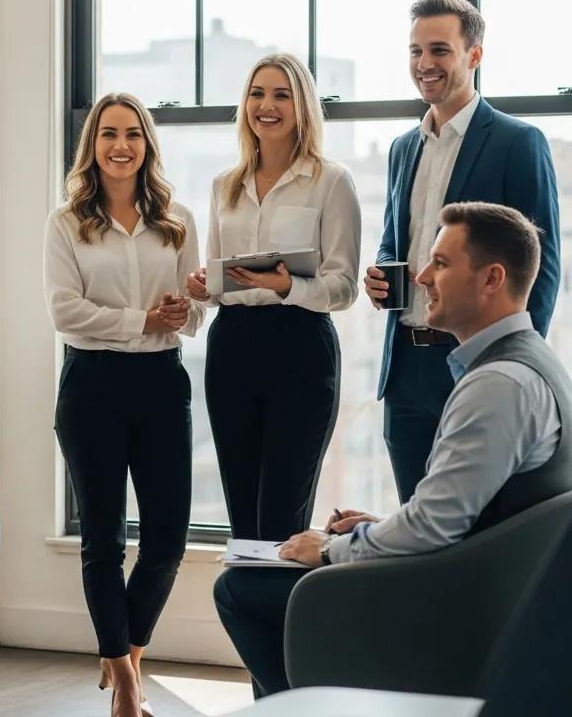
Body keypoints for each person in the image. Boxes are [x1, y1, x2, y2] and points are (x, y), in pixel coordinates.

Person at [215, 202, 572, 698]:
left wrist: (333, 550)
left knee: (240, 589)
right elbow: (464, 512)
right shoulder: (535, 364)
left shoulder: (498, 385)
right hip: (486, 587)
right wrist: (375, 527)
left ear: (492, 279)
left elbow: (432, 526)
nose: (421, 276)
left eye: (442, 264)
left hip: (457, 606)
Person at [44, 92, 204, 717]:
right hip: (92, 387)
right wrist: (144, 317)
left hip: (164, 384)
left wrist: (182, 310)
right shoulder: (66, 222)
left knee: (167, 540)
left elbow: (195, 312)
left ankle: (126, 653)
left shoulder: (178, 219)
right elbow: (65, 312)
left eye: (132, 134)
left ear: (147, 144)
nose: (121, 145)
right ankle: (129, 684)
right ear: (92, 146)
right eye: (108, 134)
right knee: (104, 539)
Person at [365, 0, 560, 504]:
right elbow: (395, 240)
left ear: (474, 55)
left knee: (479, 529)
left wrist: (512, 365)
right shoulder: (403, 147)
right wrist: (384, 274)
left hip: (476, 364)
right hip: (405, 369)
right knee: (415, 524)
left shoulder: (518, 142)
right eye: (415, 52)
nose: (424, 64)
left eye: (439, 50)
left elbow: (542, 265)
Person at [186, 53, 361, 542]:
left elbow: (344, 286)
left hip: (301, 347)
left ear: (302, 105)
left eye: (282, 95)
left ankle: (284, 619)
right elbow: (218, 283)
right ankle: (248, 621)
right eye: (257, 94)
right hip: (233, 348)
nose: (267, 105)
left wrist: (289, 287)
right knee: (242, 518)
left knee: (282, 516)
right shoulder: (226, 186)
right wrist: (203, 287)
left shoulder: (332, 181)